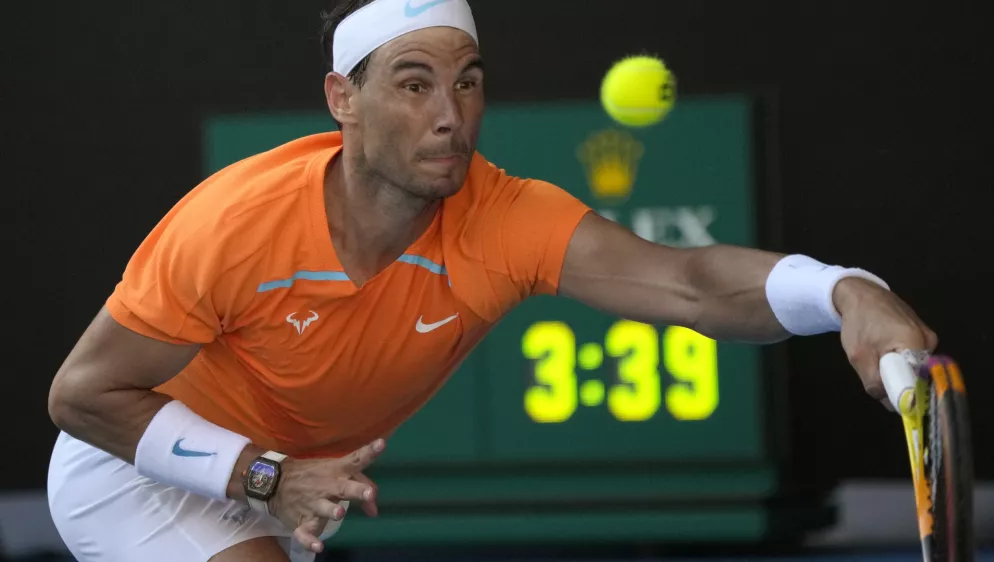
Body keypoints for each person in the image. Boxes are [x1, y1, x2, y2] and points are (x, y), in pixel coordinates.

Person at [45, 0, 938, 560]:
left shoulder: (503, 218)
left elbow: (693, 285)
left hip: (282, 484)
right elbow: (83, 395)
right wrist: (264, 476)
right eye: (413, 84)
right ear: (342, 100)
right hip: (138, 465)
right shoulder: (234, 224)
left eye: (467, 83)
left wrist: (843, 292)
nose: (449, 116)